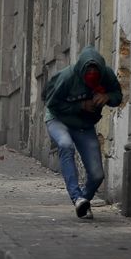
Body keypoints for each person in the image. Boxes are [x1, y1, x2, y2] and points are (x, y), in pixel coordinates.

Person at [43, 46, 122, 219]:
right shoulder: (67, 77)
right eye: (88, 73)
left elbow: (118, 96)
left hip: (84, 125)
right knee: (65, 145)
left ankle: (83, 201)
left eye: (96, 72)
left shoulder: (106, 75)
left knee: (97, 175)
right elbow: (51, 103)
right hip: (58, 119)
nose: (92, 76)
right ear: (81, 72)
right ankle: (75, 195)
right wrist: (80, 105)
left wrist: (108, 96)